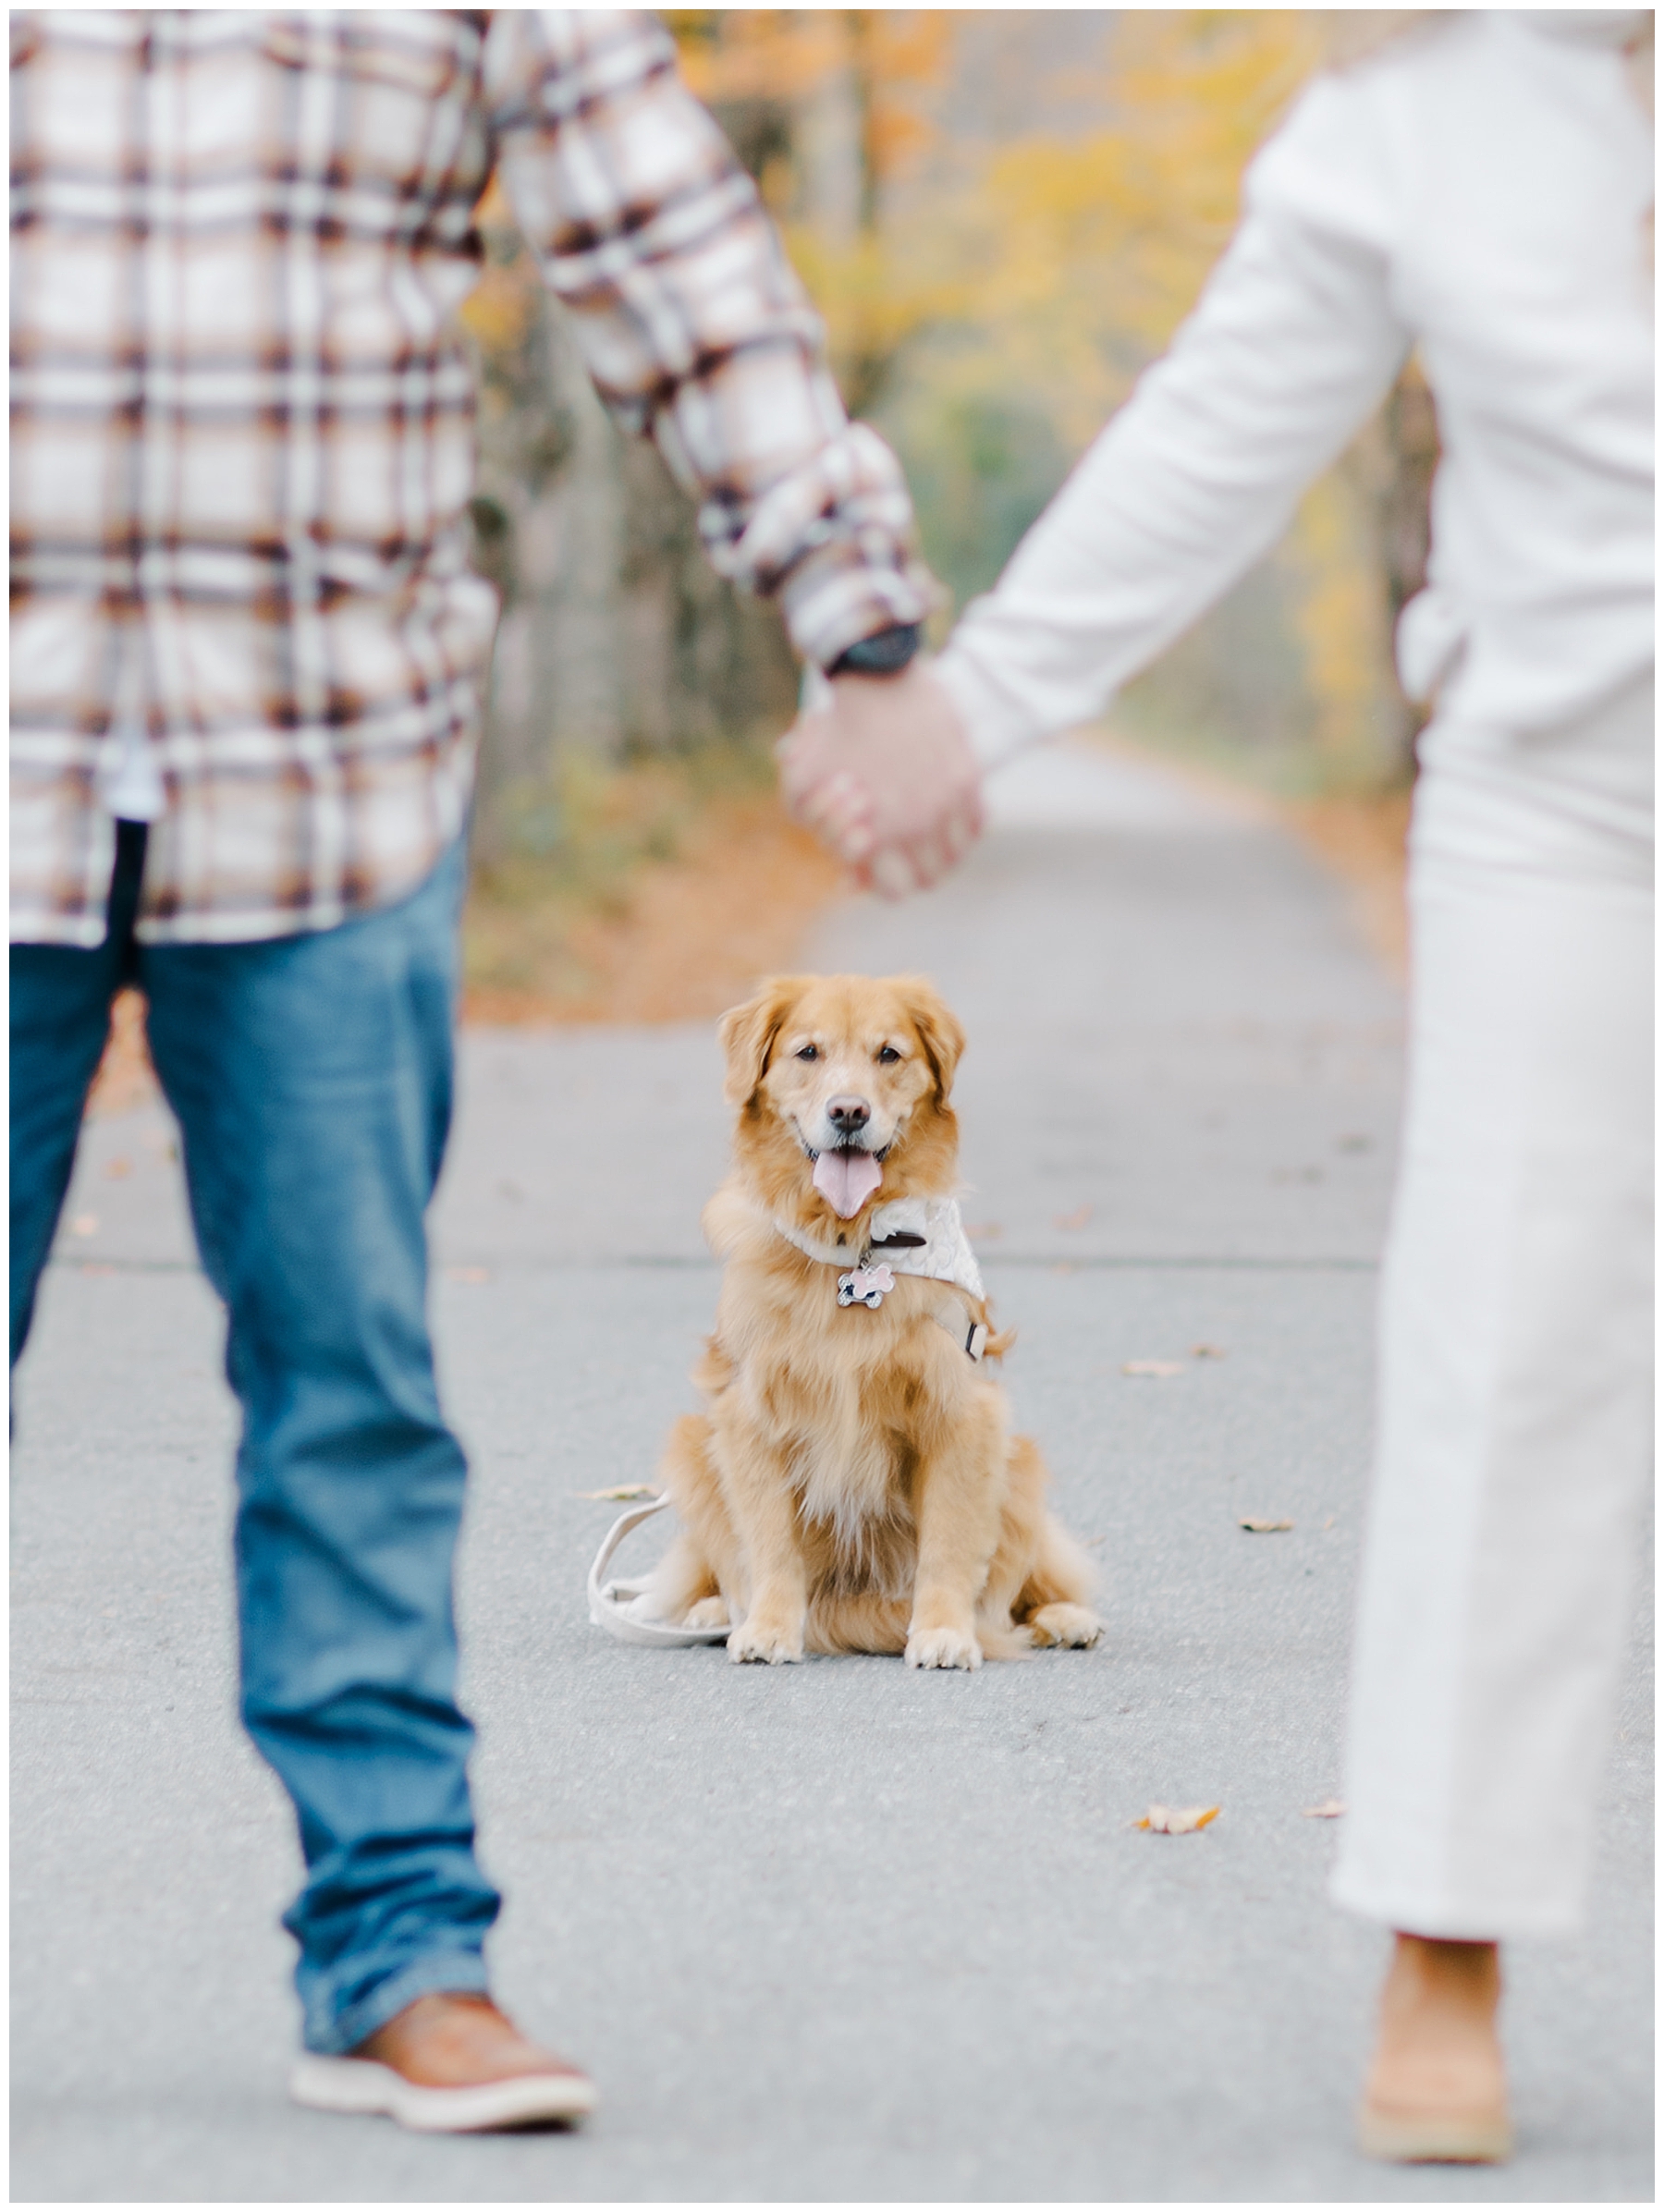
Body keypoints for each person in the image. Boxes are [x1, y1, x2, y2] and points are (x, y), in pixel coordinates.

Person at [10, 8, 932, 2134]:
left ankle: (401, 1958)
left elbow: (671, 243)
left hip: (325, 766)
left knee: (351, 1391)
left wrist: (860, 625)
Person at [783, 8, 1653, 2166]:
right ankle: (1446, 1939)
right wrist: (971, 705)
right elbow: (1220, 430)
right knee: (1510, 1347)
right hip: (1577, 792)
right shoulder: (1447, 94)